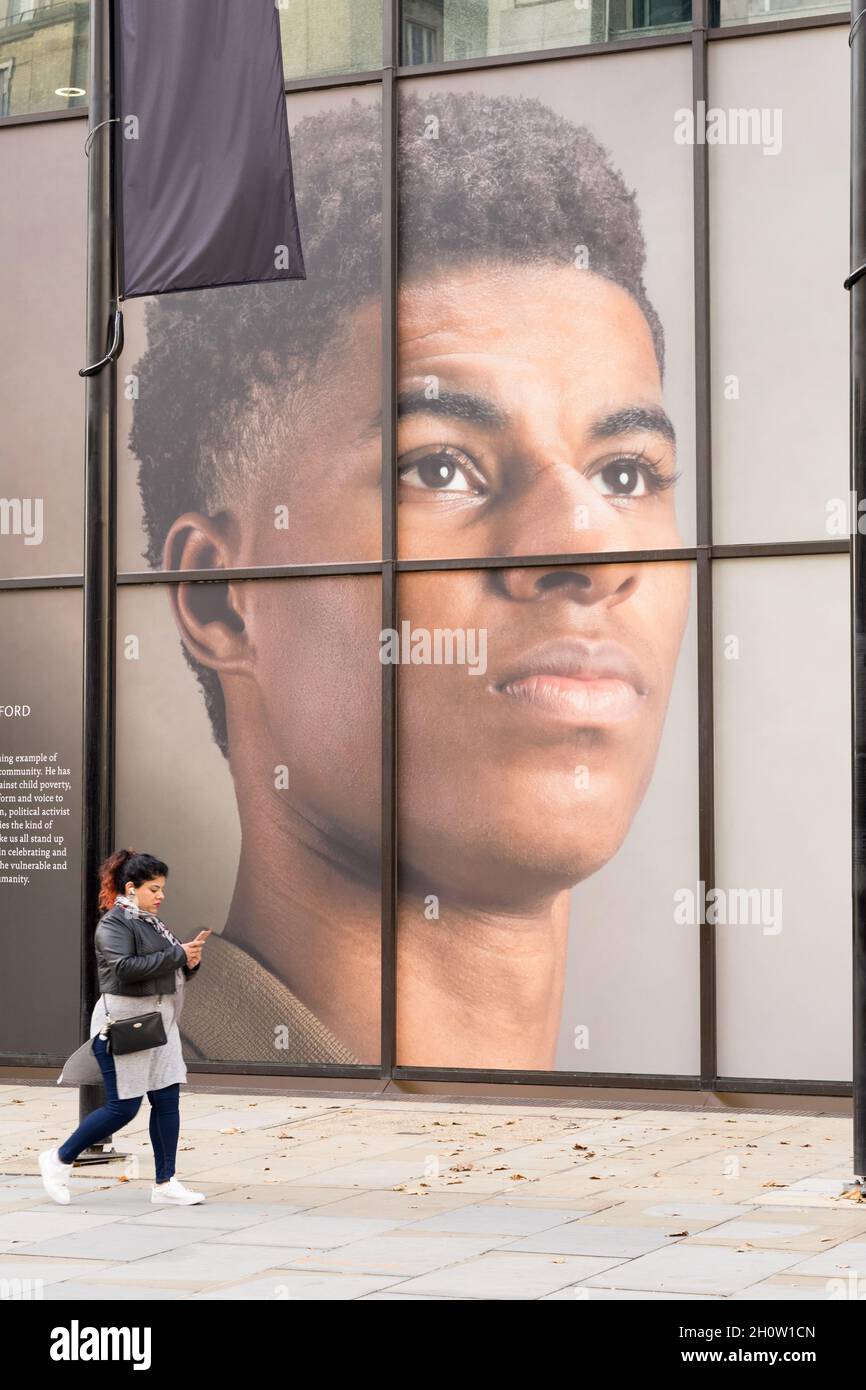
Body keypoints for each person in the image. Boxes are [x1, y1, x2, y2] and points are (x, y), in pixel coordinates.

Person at [127, 89, 689, 1070]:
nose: (591, 550)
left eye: (625, 474)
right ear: (220, 598)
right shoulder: (160, 1141)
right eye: (437, 466)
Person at [39, 848, 211, 1205]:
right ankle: (58, 1158)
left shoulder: (150, 922)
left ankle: (166, 1184)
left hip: (161, 1025)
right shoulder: (114, 924)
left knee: (167, 1100)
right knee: (124, 1107)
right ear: (130, 888)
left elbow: (163, 967)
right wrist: (178, 954)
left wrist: (188, 962)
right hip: (127, 1025)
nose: (161, 896)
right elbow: (126, 969)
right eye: (153, 889)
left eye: (163, 888)